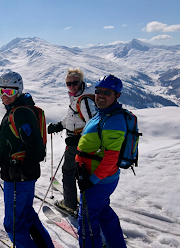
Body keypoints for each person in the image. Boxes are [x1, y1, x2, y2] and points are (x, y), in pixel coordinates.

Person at [0, 71, 54, 248]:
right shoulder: (18, 110)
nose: (5, 96)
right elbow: (11, 146)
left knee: (13, 224)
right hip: (23, 177)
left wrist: (21, 172)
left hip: (18, 178)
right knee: (27, 215)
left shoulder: (20, 113)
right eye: (1, 92)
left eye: (10, 92)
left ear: (19, 91)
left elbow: (36, 150)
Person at [75, 75, 127, 248]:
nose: (101, 95)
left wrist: (91, 181)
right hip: (100, 178)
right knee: (104, 213)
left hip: (98, 181)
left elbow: (111, 157)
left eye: (107, 92)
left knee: (87, 224)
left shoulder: (113, 120)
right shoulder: (104, 114)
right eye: (98, 91)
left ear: (117, 95)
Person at [47, 68, 96, 216]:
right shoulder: (78, 98)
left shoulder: (84, 100)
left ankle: (69, 204)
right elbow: (73, 118)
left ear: (81, 82)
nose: (72, 86)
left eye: (75, 83)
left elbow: (93, 124)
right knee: (77, 172)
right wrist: (59, 125)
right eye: (68, 84)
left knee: (68, 171)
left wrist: (77, 139)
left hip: (80, 144)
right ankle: (83, 202)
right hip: (77, 142)